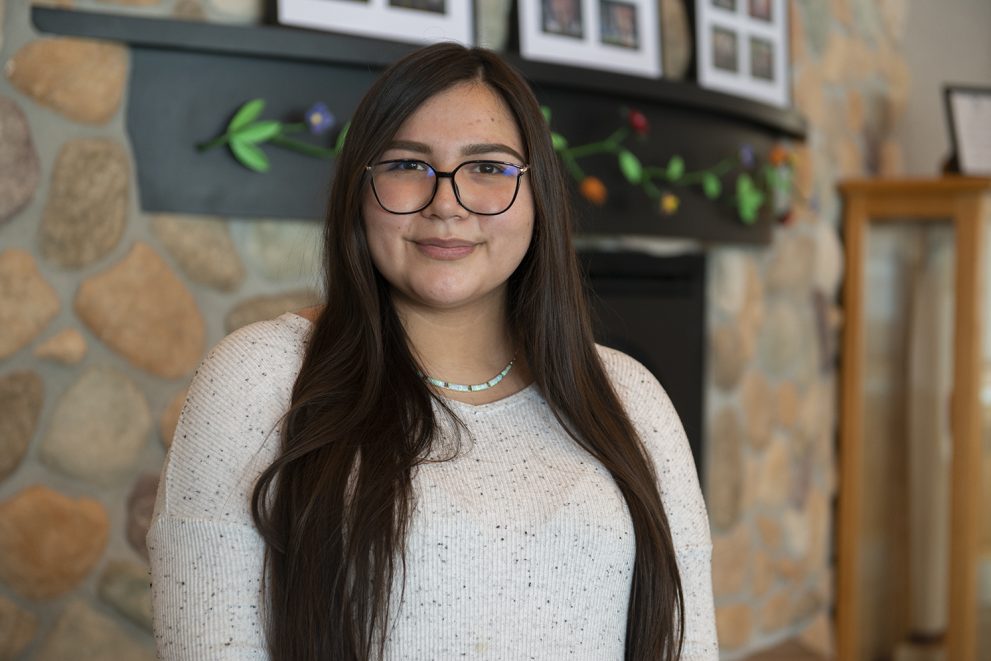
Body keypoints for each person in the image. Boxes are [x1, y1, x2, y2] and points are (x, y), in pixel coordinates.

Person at [148, 43, 718, 660]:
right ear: (359, 192)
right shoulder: (259, 377)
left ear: (538, 198)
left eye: (489, 168)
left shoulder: (630, 397)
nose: (446, 203)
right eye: (406, 164)